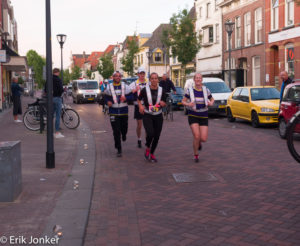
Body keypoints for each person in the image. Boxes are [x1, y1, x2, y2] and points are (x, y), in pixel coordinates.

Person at [181, 73, 214, 163]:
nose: (198, 79)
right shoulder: (190, 90)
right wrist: (188, 104)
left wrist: (211, 103)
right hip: (193, 114)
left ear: (201, 80)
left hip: (203, 115)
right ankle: (196, 154)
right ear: (194, 80)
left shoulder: (206, 89)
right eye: (197, 78)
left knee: (203, 139)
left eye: (200, 78)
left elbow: (212, 99)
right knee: (196, 135)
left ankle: (198, 142)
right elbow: (183, 101)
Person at [138, 72, 167, 162]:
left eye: (155, 78)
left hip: (158, 115)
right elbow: (139, 99)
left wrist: (163, 103)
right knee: (150, 133)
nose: (154, 80)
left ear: (158, 80)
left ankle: (152, 153)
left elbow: (164, 102)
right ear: (150, 80)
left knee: (157, 136)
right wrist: (140, 106)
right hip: (147, 115)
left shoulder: (162, 90)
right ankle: (147, 147)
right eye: (152, 78)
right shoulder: (144, 90)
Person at [104, 71, 132, 157]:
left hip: (124, 112)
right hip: (113, 112)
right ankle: (119, 149)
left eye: (119, 76)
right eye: (116, 76)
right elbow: (104, 98)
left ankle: (124, 134)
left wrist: (126, 98)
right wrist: (107, 102)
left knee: (124, 128)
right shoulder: (108, 87)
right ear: (113, 77)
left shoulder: (125, 86)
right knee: (116, 131)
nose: (118, 78)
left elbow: (132, 96)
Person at [130, 67, 149, 148]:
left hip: (147, 105)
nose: (142, 75)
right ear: (138, 74)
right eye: (140, 74)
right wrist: (134, 90)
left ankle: (147, 141)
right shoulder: (134, 83)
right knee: (139, 125)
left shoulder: (149, 82)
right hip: (138, 105)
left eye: (143, 73)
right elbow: (128, 92)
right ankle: (139, 139)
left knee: (148, 125)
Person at [52, 68, 64, 138]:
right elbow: (61, 89)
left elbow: (45, 89)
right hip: (57, 98)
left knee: (51, 114)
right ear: (57, 72)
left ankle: (49, 129)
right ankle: (57, 132)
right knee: (58, 115)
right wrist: (61, 93)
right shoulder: (58, 79)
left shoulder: (49, 79)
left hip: (51, 98)